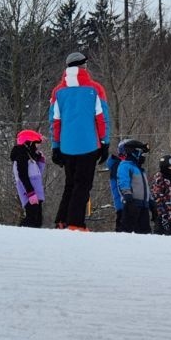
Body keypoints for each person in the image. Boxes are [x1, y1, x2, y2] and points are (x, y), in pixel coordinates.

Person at [48, 51, 110, 231]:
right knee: (83, 185)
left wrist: (56, 146)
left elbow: (55, 121)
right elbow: (101, 117)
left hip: (67, 145)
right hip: (89, 144)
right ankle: (76, 223)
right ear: (84, 66)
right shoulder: (95, 89)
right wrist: (104, 142)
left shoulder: (58, 91)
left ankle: (62, 221)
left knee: (70, 184)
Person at [116, 140, 153, 234]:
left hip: (144, 205)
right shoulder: (125, 166)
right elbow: (123, 182)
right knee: (127, 230)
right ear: (133, 152)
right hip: (132, 204)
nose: (142, 157)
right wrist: (128, 197)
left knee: (145, 232)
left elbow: (145, 187)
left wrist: (151, 201)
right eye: (140, 153)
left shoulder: (140, 169)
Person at [11, 129, 46, 228]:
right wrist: (30, 193)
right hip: (29, 193)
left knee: (38, 221)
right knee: (31, 219)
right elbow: (23, 176)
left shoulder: (29, 157)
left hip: (36, 193)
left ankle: (33, 241)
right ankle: (19, 235)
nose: (36, 147)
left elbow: (37, 175)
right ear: (28, 144)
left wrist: (41, 161)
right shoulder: (21, 156)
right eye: (35, 144)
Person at [106, 139, 131, 232]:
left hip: (123, 203)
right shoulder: (119, 165)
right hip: (123, 203)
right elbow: (121, 185)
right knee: (123, 226)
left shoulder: (121, 164)